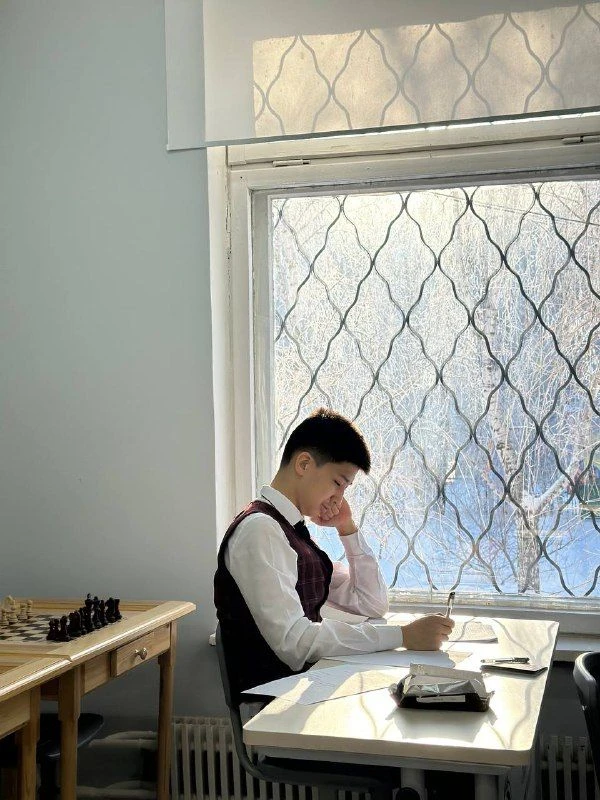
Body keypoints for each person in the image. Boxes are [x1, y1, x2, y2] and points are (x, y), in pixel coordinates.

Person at [214, 408, 454, 694]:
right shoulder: (260, 531)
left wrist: (347, 528)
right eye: (338, 483)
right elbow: (295, 642)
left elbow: (372, 604)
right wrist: (402, 636)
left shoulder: (291, 533)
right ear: (304, 464)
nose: (338, 499)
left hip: (302, 689)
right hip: (276, 702)